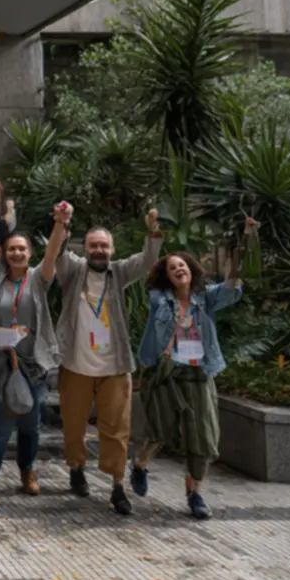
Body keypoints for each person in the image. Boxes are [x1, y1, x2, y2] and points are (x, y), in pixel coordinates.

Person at [41, 202, 163, 516]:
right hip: (76, 365)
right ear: (85, 248)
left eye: (104, 245)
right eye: (93, 245)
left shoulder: (119, 272)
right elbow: (55, 254)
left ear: (112, 249)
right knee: (73, 426)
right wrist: (61, 223)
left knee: (117, 428)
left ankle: (117, 486)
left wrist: (152, 229)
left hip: (115, 366)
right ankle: (77, 467)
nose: (98, 250)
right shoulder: (73, 271)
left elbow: (149, 260)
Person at [131, 219, 255, 520]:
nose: (178, 270)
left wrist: (247, 241)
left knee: (204, 435)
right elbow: (160, 306)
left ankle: (195, 491)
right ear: (168, 276)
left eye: (182, 265)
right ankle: (140, 464)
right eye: (172, 268)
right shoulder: (159, 298)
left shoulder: (207, 299)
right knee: (158, 431)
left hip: (199, 373)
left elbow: (231, 283)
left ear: (191, 268)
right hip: (166, 372)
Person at [0, 231, 63, 510]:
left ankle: (27, 469)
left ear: (29, 253)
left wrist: (59, 225)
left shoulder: (37, 279)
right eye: (12, 249)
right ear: (5, 252)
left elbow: (52, 256)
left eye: (22, 249)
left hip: (33, 365)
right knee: (0, 426)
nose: (17, 254)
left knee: (31, 424)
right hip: (2, 363)